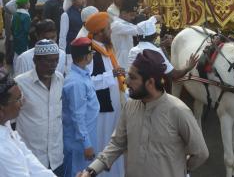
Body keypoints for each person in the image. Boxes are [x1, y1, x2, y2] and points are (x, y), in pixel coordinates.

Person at [79, 50, 209, 177]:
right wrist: (91, 171)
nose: (126, 81)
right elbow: (117, 143)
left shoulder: (178, 111)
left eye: (133, 77)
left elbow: (201, 153)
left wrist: (179, 168)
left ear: (150, 83)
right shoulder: (130, 105)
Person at [15, 40, 64, 176]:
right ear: (35, 60)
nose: (53, 65)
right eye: (47, 61)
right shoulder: (20, 83)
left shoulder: (60, 79)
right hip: (32, 159)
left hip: (56, 158)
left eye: (56, 61)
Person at [85, 12, 125, 177]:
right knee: (106, 144)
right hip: (103, 111)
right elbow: (88, 83)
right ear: (100, 32)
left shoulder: (106, 48)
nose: (111, 31)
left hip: (115, 107)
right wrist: (112, 75)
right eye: (108, 28)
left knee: (116, 143)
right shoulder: (90, 52)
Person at [0, 70, 56, 177]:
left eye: (21, 96)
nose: (23, 102)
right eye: (17, 99)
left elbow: (28, 159)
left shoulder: (5, 124)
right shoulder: (2, 150)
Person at [63, 37, 100, 177]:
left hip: (86, 136)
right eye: (91, 54)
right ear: (86, 56)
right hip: (78, 143)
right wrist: (87, 145)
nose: (92, 57)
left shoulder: (82, 74)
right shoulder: (76, 82)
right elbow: (78, 116)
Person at [128, 16, 198, 81]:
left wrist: (161, 44)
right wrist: (188, 67)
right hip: (149, 92)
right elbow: (175, 75)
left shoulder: (132, 51)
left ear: (137, 37)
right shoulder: (156, 52)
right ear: (155, 36)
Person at [111, 0, 159, 71]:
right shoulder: (117, 25)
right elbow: (138, 30)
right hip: (121, 65)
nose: (133, 18)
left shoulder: (126, 23)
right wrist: (153, 19)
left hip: (127, 63)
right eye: (131, 15)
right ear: (123, 13)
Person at [59, 0, 86, 72]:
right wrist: (62, 54)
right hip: (70, 51)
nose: (82, 0)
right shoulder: (66, 15)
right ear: (73, 1)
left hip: (83, 49)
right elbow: (62, 36)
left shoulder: (84, 11)